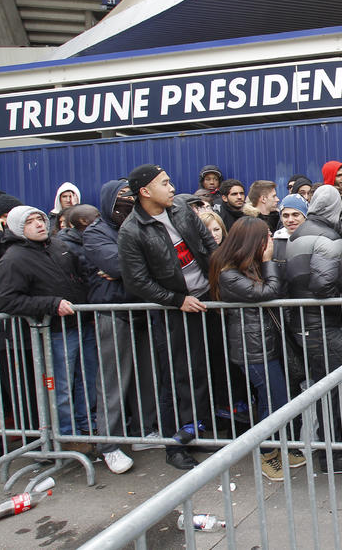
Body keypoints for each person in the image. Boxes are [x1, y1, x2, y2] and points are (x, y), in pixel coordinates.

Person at [117, 164, 218, 470]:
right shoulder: (132, 230)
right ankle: (175, 444)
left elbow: (209, 246)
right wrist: (176, 300)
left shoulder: (182, 211)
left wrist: (218, 282)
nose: (172, 188)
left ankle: (195, 431)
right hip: (174, 311)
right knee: (177, 377)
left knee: (201, 371)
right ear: (145, 192)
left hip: (205, 301)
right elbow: (136, 281)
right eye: (164, 183)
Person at [209, 216, 306, 481]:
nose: (271, 241)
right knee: (273, 399)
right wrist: (267, 261)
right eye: (266, 237)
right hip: (253, 349)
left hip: (270, 342)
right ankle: (266, 452)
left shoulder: (247, 266)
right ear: (253, 241)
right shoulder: (229, 273)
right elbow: (269, 292)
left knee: (280, 397)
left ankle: (282, 447)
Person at [0, 206, 97, 452]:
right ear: (18, 228)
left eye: (40, 218)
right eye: (30, 222)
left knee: (87, 380)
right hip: (55, 332)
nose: (39, 224)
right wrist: (51, 305)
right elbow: (5, 300)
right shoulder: (13, 258)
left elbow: (78, 278)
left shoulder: (58, 246)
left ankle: (87, 426)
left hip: (80, 325)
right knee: (61, 387)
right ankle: (67, 435)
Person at [285, 185, 342, 474]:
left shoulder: (298, 233)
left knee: (326, 386)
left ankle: (329, 451)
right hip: (323, 324)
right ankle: (337, 454)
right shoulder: (328, 237)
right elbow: (322, 285)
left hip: (306, 324)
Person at [84, 179, 160, 471]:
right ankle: (109, 444)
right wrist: (138, 267)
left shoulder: (137, 226)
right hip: (113, 313)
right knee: (113, 383)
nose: (128, 205)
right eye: (122, 200)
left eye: (132, 198)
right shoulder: (96, 232)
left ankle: (145, 430)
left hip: (140, 311)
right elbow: (118, 266)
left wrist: (136, 267)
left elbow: (159, 260)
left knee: (146, 377)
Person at [271, 193, 308, 261]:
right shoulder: (276, 240)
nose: (290, 220)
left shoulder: (314, 238)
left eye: (295, 215)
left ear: (305, 216)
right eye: (286, 216)